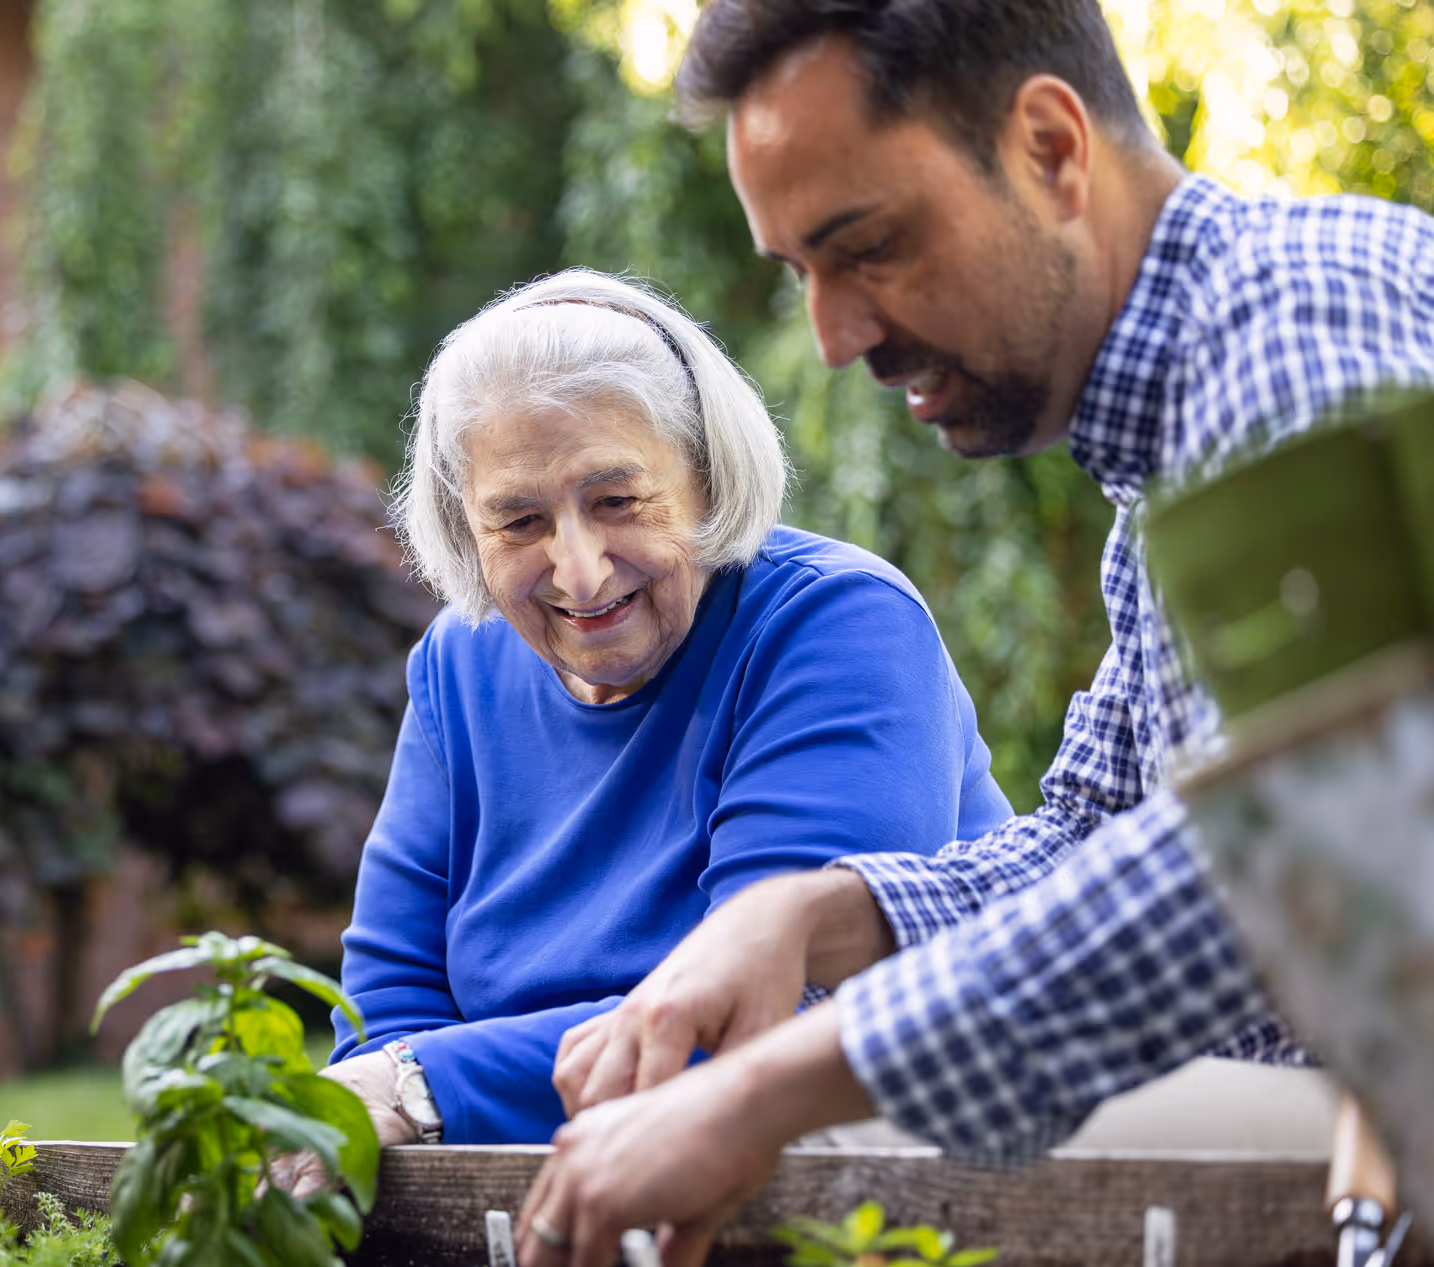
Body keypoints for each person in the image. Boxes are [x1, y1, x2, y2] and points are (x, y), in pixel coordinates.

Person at [515, 2, 1434, 1263]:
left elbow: (1295, 846)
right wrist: (813, 915)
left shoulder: (1292, 330)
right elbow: (1095, 844)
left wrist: (762, 1091)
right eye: (802, 277)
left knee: (805, 1151)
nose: (835, 339)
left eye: (868, 246)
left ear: (1053, 149)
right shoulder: (1170, 438)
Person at [317, 268, 1012, 1150]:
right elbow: (388, 1004)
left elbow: (772, 1009)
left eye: (617, 501)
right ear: (465, 530)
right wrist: (399, 1095)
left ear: (708, 481)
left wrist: (426, 1086)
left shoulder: (839, 626)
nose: (579, 570)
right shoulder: (459, 668)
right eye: (519, 521)